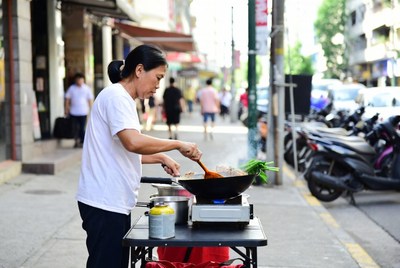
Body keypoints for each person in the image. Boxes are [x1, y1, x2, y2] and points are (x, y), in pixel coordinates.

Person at [76, 44, 202, 268]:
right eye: (158, 77)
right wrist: (176, 144)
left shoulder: (121, 98)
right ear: (140, 70)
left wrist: (162, 157)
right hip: (105, 202)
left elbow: (123, 149)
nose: (157, 86)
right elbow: (133, 142)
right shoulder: (117, 97)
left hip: (112, 201)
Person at [64, 72, 94, 148]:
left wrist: (92, 110)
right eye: (78, 80)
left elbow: (90, 100)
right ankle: (76, 140)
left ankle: (82, 141)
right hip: (73, 112)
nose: (79, 81)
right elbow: (67, 99)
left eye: (81, 80)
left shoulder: (87, 88)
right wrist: (66, 109)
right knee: (74, 128)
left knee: (82, 127)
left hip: (83, 111)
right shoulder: (71, 88)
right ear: (75, 80)